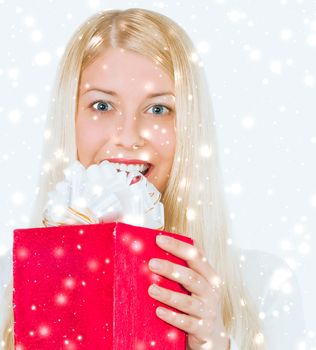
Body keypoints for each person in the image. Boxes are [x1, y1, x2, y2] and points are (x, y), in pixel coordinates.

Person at [0, 8, 305, 350]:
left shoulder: (264, 286)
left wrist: (217, 344)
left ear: (188, 126)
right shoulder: (6, 284)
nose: (128, 136)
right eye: (101, 106)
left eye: (158, 109)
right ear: (69, 118)